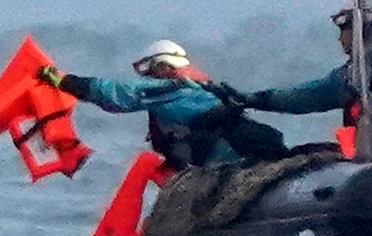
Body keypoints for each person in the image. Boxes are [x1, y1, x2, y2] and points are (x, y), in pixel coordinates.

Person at [40, 39, 288, 169]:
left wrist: (65, 82)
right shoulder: (203, 85)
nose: (149, 78)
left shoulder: (169, 88)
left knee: (145, 166)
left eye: (152, 71)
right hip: (236, 146)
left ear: (163, 66)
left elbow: (119, 95)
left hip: (219, 154)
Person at [240, 1, 372, 119]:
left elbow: (309, 96)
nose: (340, 39)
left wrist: (258, 100)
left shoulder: (360, 74)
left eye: (343, 30)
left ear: (362, 29)